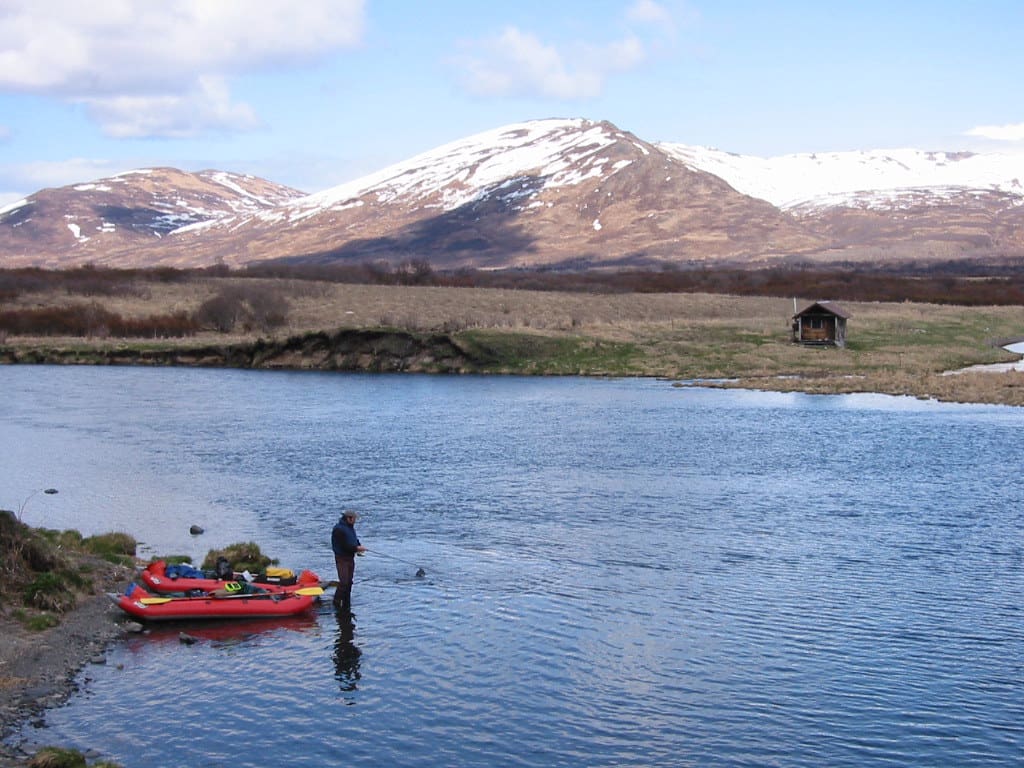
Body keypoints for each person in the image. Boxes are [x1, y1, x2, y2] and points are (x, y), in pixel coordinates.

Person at [331, 510, 366, 612]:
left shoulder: (350, 528)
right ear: (349, 518)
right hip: (342, 558)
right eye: (354, 519)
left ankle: (347, 603)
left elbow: (354, 540)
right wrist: (356, 549)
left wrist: (358, 546)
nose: (355, 521)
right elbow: (344, 546)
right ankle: (336, 604)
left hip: (350, 557)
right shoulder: (339, 530)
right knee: (344, 582)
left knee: (349, 582)